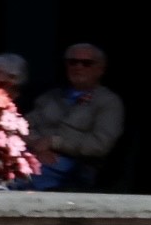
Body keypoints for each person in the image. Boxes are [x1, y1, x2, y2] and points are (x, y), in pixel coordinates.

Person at [19, 44, 125, 192]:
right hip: (35, 156)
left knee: (19, 179)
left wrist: (55, 142)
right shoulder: (50, 96)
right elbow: (23, 127)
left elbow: (100, 144)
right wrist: (39, 146)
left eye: (86, 63)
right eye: (72, 62)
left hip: (76, 166)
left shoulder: (108, 102)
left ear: (100, 69)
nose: (78, 67)